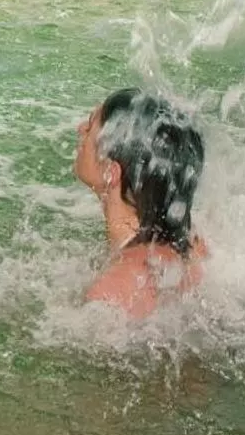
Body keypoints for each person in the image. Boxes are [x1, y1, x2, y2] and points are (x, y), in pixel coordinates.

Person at [74, 87, 208, 317]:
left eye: (90, 125)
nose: (81, 129)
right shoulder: (194, 248)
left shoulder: (112, 293)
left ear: (110, 171)